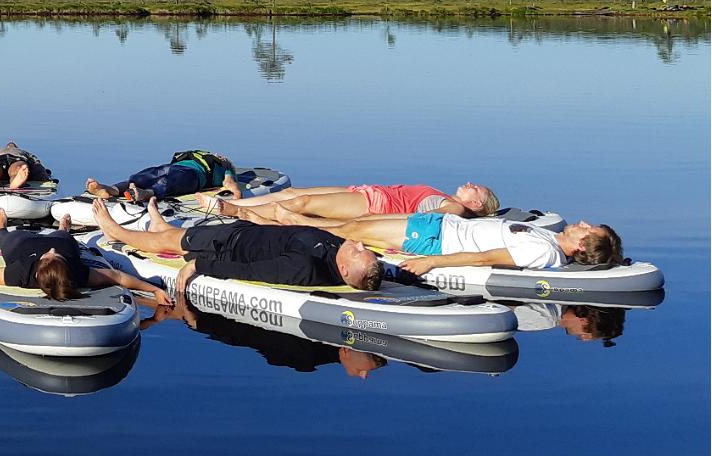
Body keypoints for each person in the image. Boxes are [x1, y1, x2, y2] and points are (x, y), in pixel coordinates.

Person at [91, 195, 384, 295]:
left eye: (359, 250)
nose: (357, 243)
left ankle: (116, 232)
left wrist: (199, 265)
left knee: (173, 242)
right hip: (248, 231)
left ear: (344, 268)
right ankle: (161, 225)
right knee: (175, 233)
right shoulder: (339, 253)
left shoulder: (305, 268)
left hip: (230, 245)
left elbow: (253, 270)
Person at [263, 211, 621, 276]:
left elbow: (484, 259)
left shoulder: (544, 250)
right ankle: (287, 220)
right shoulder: (549, 235)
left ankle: (276, 224)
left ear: (581, 247)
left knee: (352, 233)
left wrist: (432, 262)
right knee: (357, 224)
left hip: (435, 239)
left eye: (587, 231)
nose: (583, 223)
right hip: (440, 224)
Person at [0, 228, 171, 306]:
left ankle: (6, 226)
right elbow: (117, 277)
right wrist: (154, 291)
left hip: (23, 245)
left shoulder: (22, 273)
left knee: (7, 238)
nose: (51, 253)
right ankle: (60, 228)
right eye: (54, 257)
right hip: (46, 242)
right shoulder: (78, 272)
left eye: (50, 257)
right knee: (61, 240)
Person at [207, 182, 500, 222]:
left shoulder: (457, 207)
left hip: (376, 206)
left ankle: (234, 211)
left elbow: (433, 218)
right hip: (370, 191)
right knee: (293, 193)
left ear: (477, 205)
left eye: (479, 190)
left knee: (304, 202)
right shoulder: (449, 196)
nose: (473, 184)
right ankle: (243, 203)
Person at [84, 149, 239, 202]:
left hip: (194, 176)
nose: (219, 155)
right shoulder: (199, 155)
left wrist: (236, 194)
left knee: (168, 181)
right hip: (173, 167)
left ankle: (147, 193)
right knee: (144, 176)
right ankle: (109, 189)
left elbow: (230, 184)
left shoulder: (225, 167)